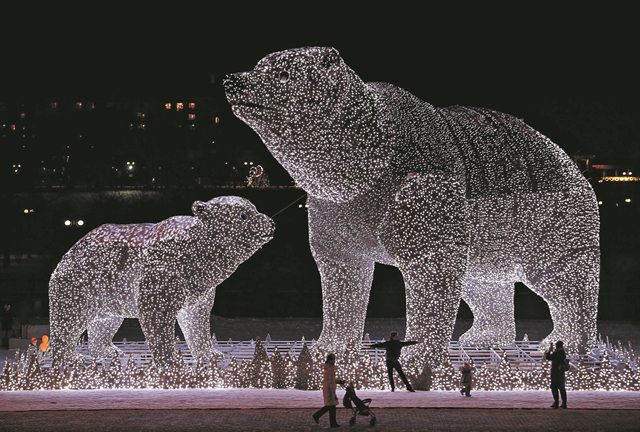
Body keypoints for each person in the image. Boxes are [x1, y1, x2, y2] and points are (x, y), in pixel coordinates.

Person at [313, 353, 344, 427]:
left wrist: (338, 381)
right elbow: (331, 382)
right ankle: (319, 416)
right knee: (331, 406)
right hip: (329, 390)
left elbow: (331, 380)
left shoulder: (328, 369)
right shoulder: (330, 370)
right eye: (333, 359)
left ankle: (332, 422)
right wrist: (333, 394)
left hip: (327, 389)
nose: (334, 361)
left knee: (331, 406)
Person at [545, 340, 568, 409]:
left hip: (555, 372)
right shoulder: (562, 353)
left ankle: (556, 402)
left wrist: (550, 350)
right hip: (561, 373)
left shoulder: (557, 353)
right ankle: (564, 403)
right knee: (561, 388)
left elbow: (548, 357)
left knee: (555, 388)